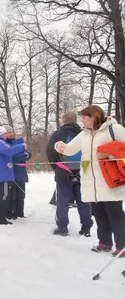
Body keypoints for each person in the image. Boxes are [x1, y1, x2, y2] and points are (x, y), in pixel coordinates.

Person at [55, 105, 125, 256]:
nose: (81, 120)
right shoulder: (84, 134)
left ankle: (122, 246)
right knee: (99, 214)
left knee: (115, 214)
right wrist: (60, 146)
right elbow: (70, 149)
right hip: (91, 182)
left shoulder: (114, 129)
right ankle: (105, 243)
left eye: (83, 117)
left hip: (110, 180)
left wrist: (109, 152)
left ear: (93, 117)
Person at [46, 112, 93, 236]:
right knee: (84, 199)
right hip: (83, 169)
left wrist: (56, 168)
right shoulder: (84, 133)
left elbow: (50, 151)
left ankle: (62, 227)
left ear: (63, 120)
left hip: (63, 170)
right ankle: (86, 227)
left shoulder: (58, 134)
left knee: (62, 200)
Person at [0, 125, 27, 225]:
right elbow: (8, 151)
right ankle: (1, 218)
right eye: (5, 133)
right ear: (0, 134)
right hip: (3, 174)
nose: (7, 134)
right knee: (4, 195)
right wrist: (22, 146)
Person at [5, 128, 32, 220]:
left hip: (21, 173)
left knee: (21, 195)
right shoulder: (5, 145)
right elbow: (12, 158)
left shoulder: (20, 142)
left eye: (12, 132)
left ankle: (20, 213)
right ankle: (10, 213)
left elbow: (28, 154)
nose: (11, 133)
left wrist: (26, 155)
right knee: (11, 195)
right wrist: (23, 155)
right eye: (8, 132)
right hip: (11, 174)